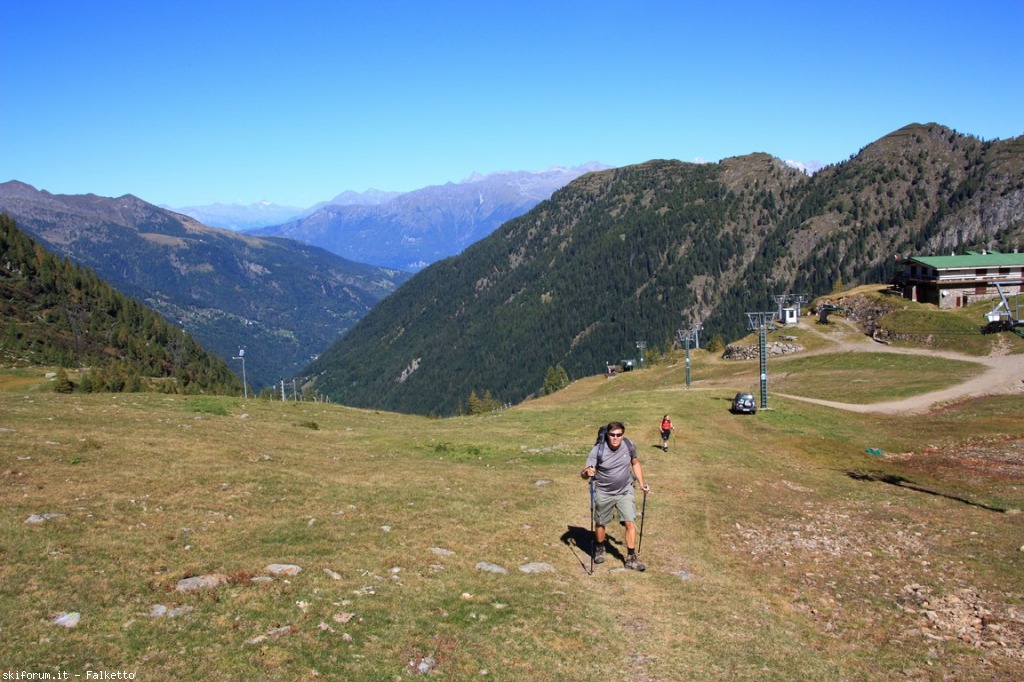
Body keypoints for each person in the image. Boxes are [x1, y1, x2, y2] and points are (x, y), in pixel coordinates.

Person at [580, 421, 650, 571]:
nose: (615, 438)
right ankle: (600, 547)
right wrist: (586, 473)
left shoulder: (629, 445)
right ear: (607, 435)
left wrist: (642, 483)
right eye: (612, 435)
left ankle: (631, 558)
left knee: (630, 522)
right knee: (600, 523)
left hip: (625, 490)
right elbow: (585, 474)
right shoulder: (598, 450)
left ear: (623, 435)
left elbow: (635, 463)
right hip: (603, 492)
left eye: (619, 435)